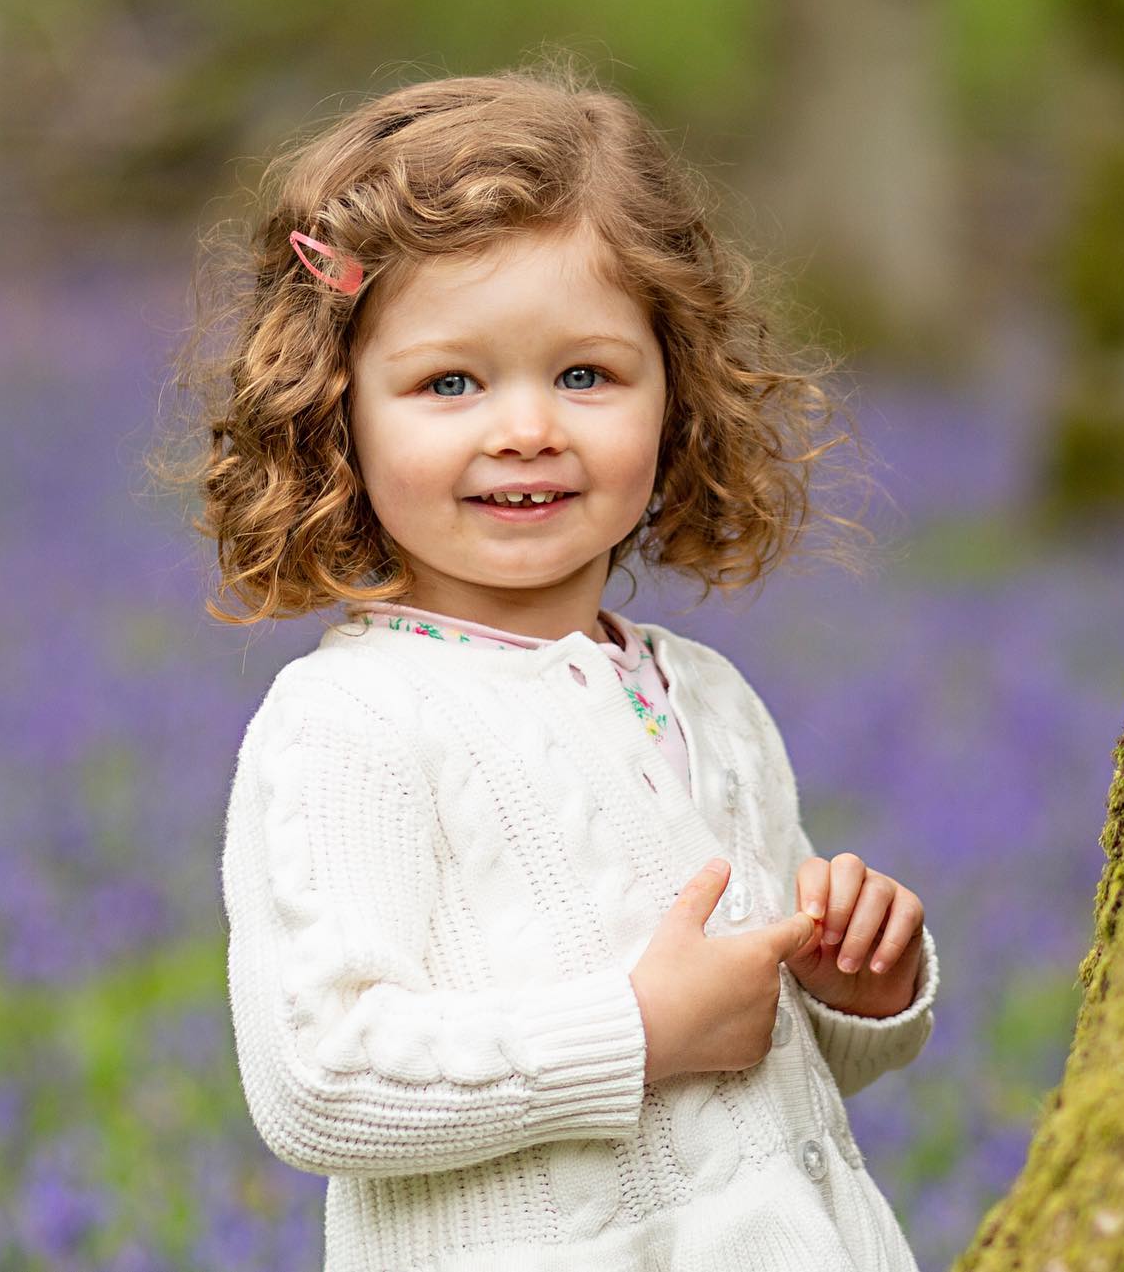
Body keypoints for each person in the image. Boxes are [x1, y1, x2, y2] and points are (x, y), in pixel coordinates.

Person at [188, 61, 940, 1270]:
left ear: (675, 396)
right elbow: (321, 1076)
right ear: (336, 417)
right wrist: (636, 1028)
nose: (528, 426)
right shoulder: (351, 719)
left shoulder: (707, 699)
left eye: (584, 373)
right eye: (450, 382)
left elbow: (755, 1057)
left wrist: (857, 992)